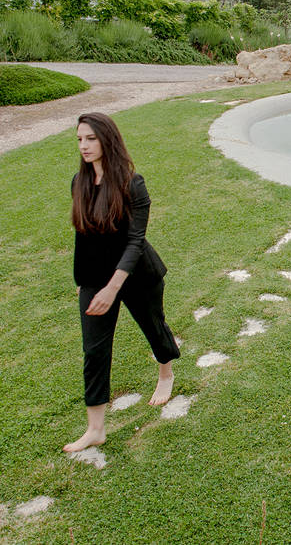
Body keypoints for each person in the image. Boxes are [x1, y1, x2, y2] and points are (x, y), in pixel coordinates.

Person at [63, 112, 180, 453]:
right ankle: (95, 428)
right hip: (96, 276)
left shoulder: (133, 183)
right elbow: (82, 235)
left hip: (137, 272)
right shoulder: (79, 182)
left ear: (107, 140)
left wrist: (113, 288)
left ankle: (166, 375)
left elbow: (134, 241)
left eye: (91, 139)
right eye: (80, 139)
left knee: (153, 326)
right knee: (94, 349)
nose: (84, 146)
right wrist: (82, 282)